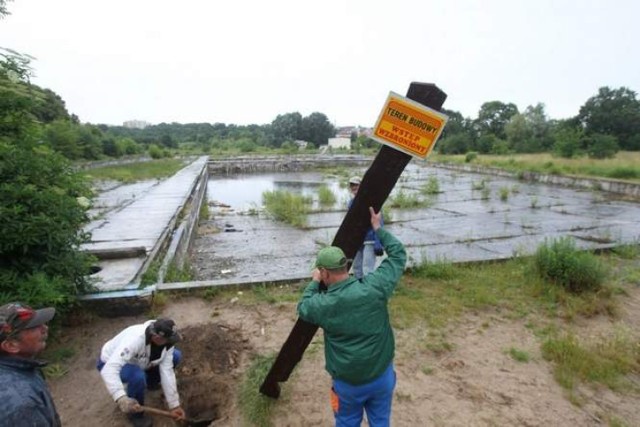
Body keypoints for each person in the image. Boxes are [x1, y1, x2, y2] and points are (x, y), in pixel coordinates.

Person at [298, 207, 406, 427]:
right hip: (381, 376)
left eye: (321, 273)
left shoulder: (323, 304)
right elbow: (398, 254)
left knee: (346, 422)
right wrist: (378, 229)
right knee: (381, 421)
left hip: (348, 384)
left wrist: (314, 282)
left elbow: (303, 307)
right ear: (346, 266)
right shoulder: (376, 287)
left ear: (325, 273)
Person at [97, 318, 186, 427]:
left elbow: (167, 371)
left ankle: (151, 383)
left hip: (141, 362)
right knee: (137, 376)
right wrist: (121, 397)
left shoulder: (166, 344)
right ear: (157, 338)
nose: (171, 342)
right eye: (168, 340)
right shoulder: (135, 339)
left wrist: (174, 405)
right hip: (110, 362)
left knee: (175, 357)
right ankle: (136, 415)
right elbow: (109, 369)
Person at [0, 302, 61, 426]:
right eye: (34, 327)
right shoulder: (21, 403)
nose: (45, 328)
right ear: (11, 345)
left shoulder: (19, 369)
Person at [347, 176, 385, 279]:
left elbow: (379, 222)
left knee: (367, 269)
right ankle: (360, 291)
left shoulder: (372, 201)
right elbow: (350, 223)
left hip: (370, 240)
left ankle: (369, 292)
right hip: (357, 241)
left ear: (362, 186)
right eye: (352, 185)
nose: (354, 187)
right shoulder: (351, 203)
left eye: (356, 185)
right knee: (357, 268)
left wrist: (378, 242)